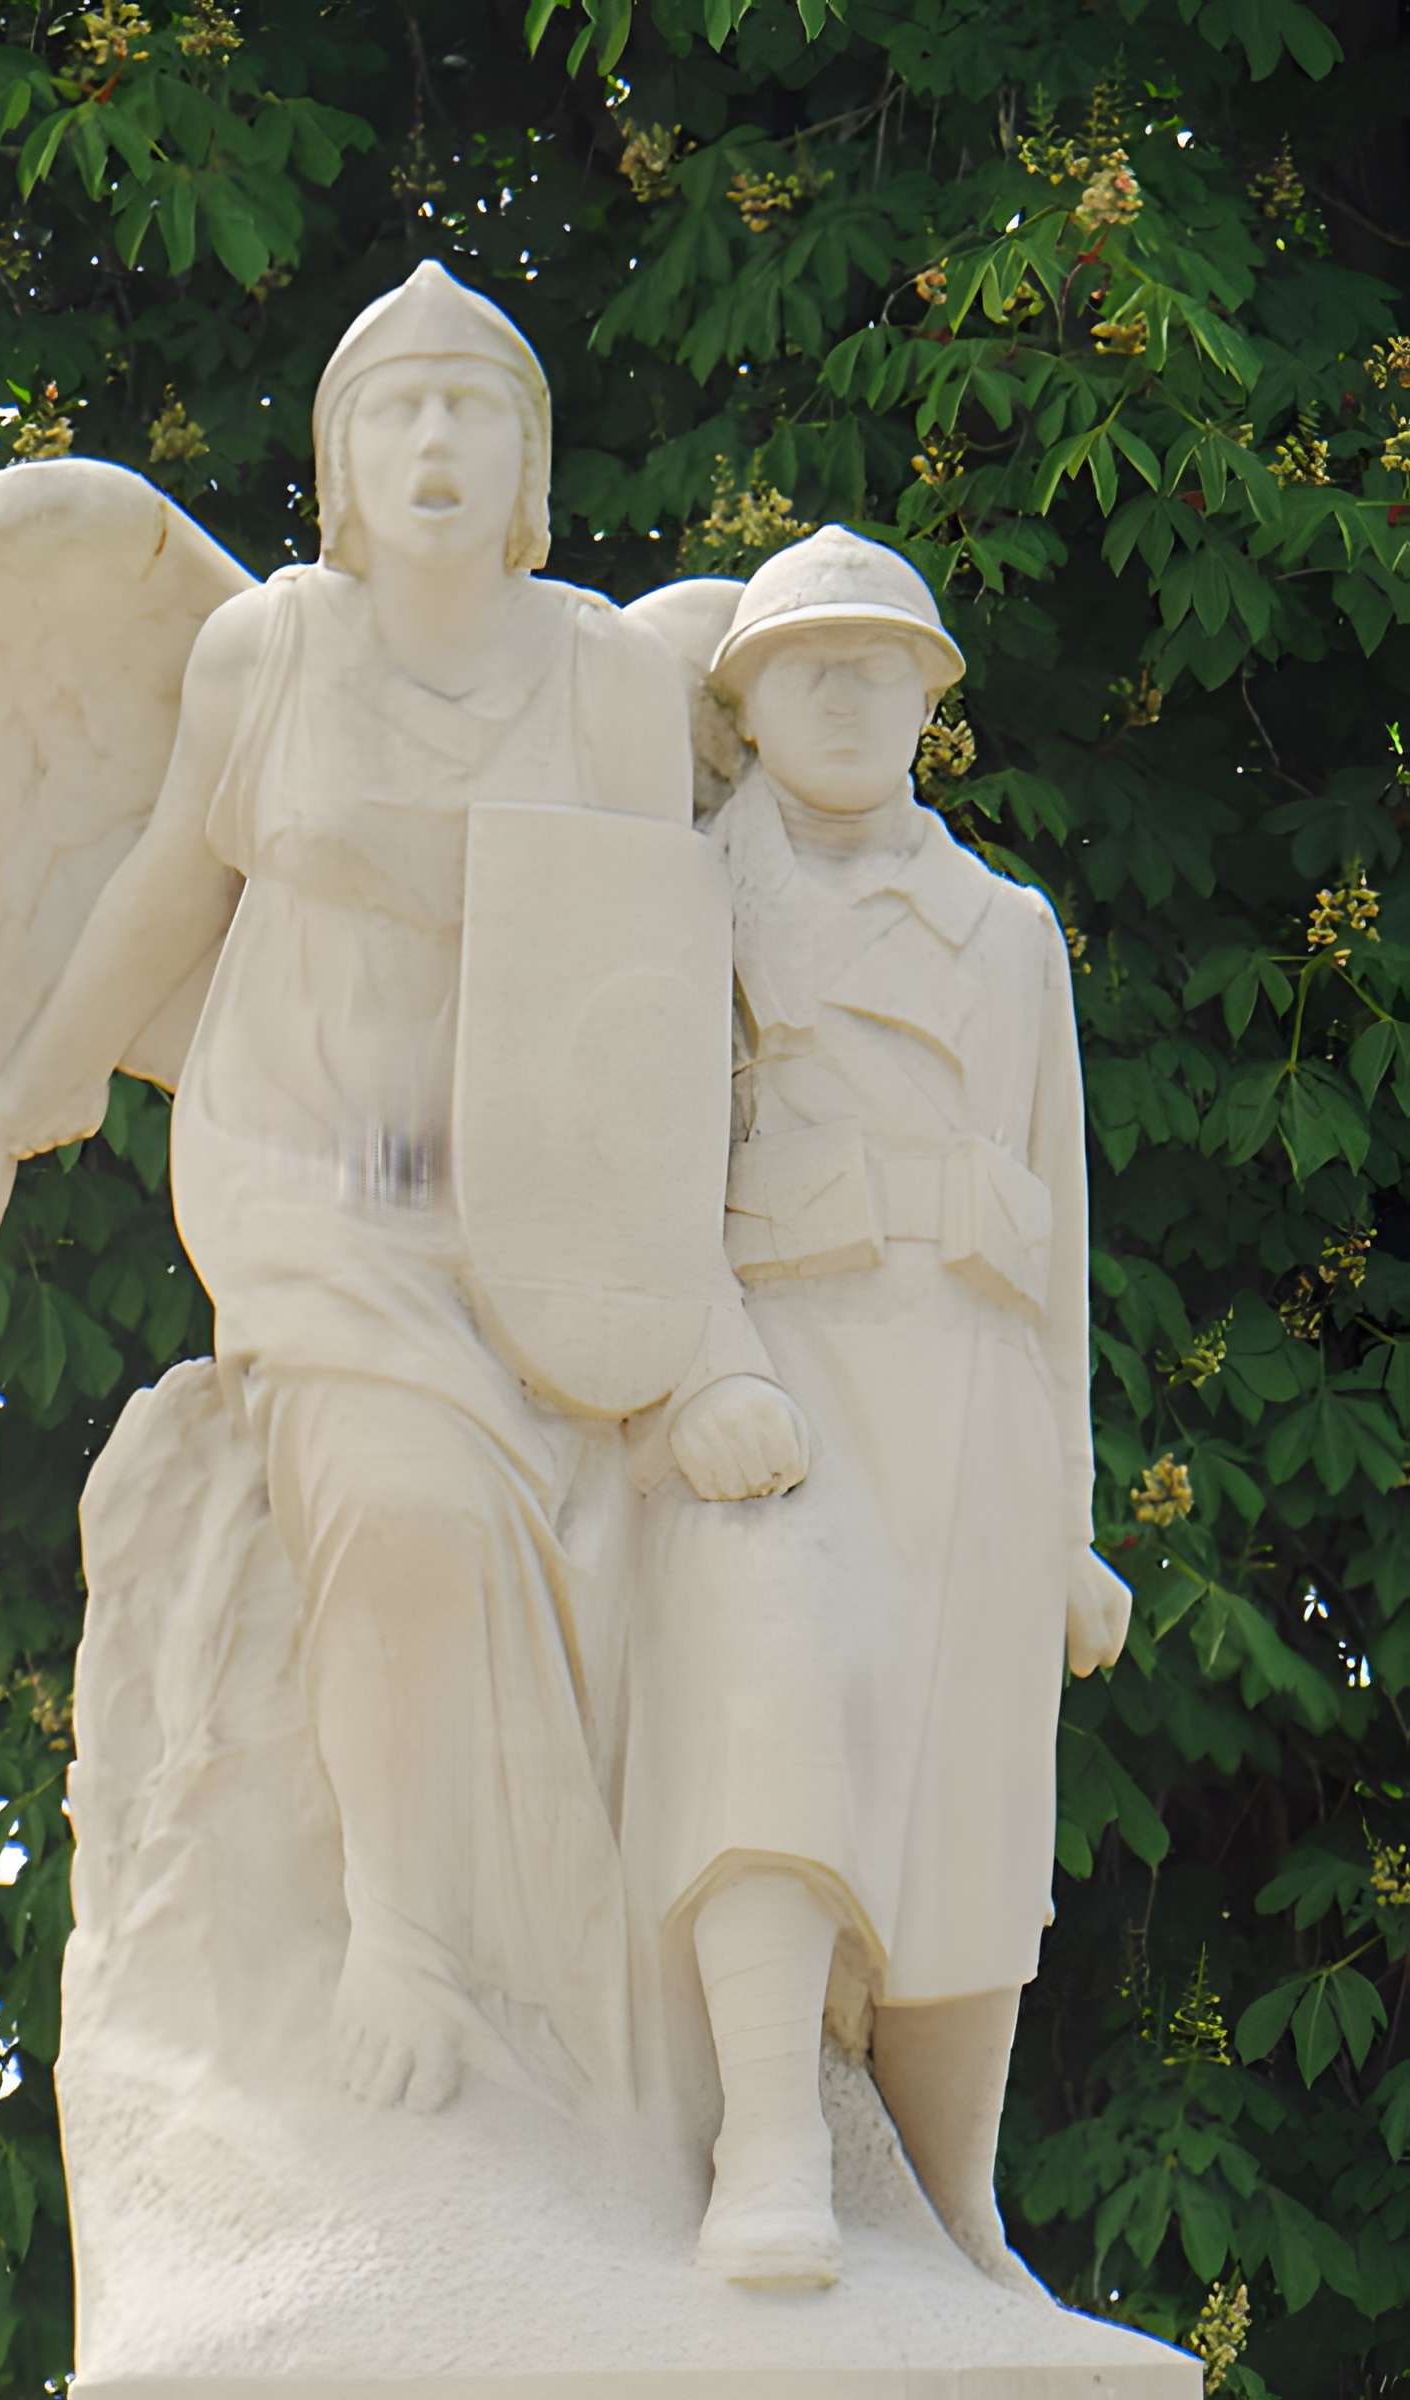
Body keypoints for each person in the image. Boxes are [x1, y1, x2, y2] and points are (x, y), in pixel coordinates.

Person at [0, 263, 803, 2115]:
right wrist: (46, 1059)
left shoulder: (606, 676)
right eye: (395, 409)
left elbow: (658, 991)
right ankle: (407, 1941)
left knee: (641, 1547)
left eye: (475, 406)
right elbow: (163, 893)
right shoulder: (267, 651)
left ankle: (645, 2047)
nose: (436, 440)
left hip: (538, 1201)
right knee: (409, 1505)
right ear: (342, 464)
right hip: (310, 1178)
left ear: (529, 464)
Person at [628, 527, 1131, 2285]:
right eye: (803, 665)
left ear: (931, 698)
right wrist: (703, 1366)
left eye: (880, 665)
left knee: (977, 1804)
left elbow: (1055, 1243)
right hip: (782, 1370)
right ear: (743, 702)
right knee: (777, 1714)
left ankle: (953, 2197)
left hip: (975, 1402)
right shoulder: (686, 893)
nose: (844, 694)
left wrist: (1069, 1529)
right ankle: (767, 2140)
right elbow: (631, 1167)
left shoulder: (1010, 936)